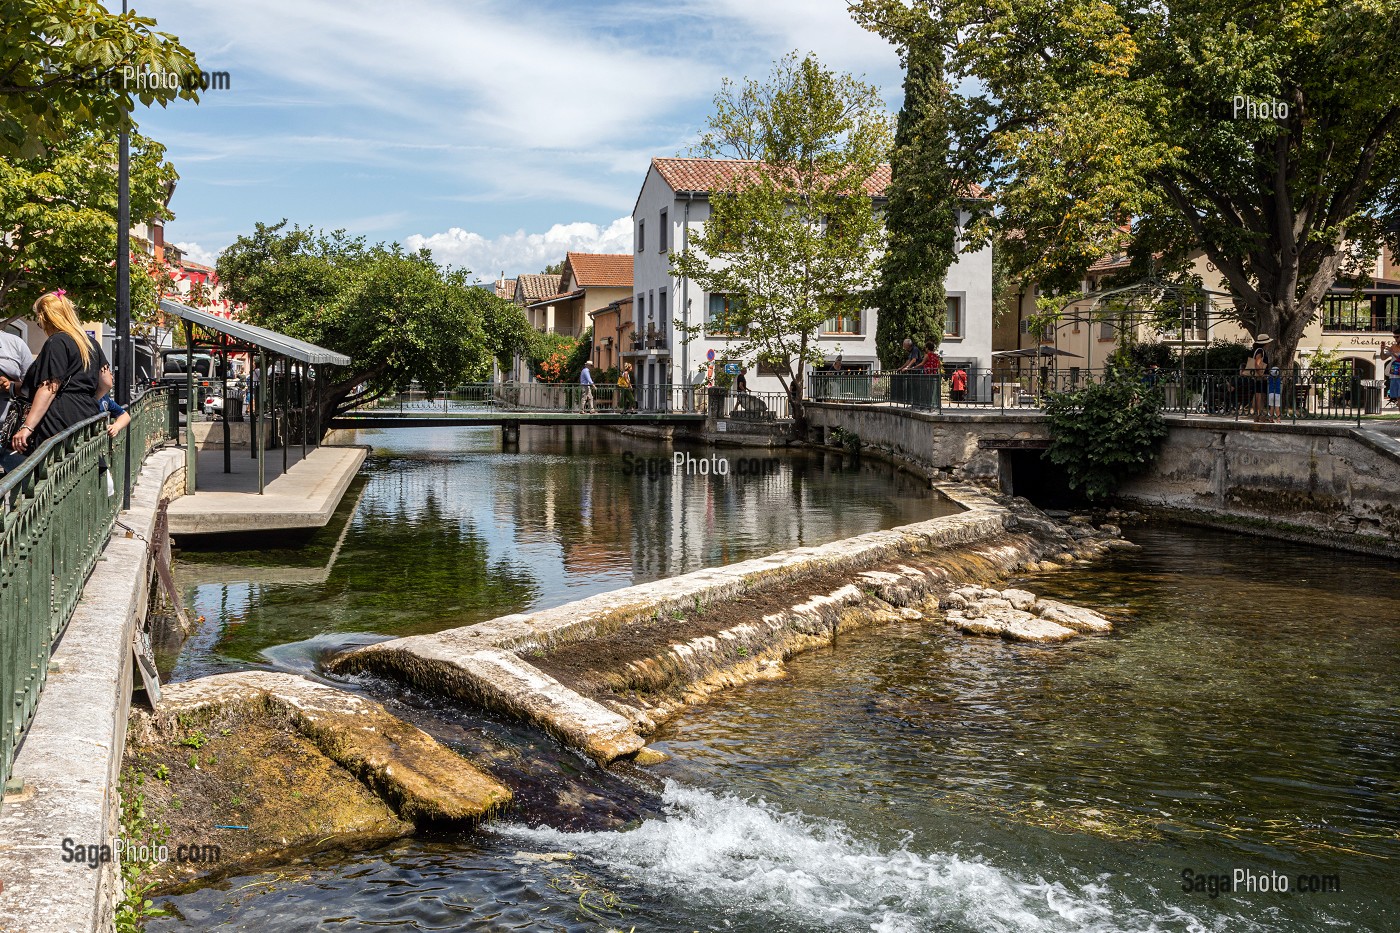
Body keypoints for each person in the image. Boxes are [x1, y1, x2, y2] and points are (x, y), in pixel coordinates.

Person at [8, 290, 109, 461]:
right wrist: (85, 399)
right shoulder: (90, 343)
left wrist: (27, 427)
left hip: (58, 419)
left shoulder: (57, 342)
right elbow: (106, 382)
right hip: (87, 415)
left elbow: (49, 388)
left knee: (52, 471)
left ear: (46, 318)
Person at [1240, 334, 1271, 423]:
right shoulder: (1260, 351)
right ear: (1266, 343)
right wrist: (1261, 374)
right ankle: (1261, 417)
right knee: (1260, 397)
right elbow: (1257, 364)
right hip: (1260, 379)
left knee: (1256, 396)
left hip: (1256, 378)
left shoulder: (1256, 350)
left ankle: (1256, 416)